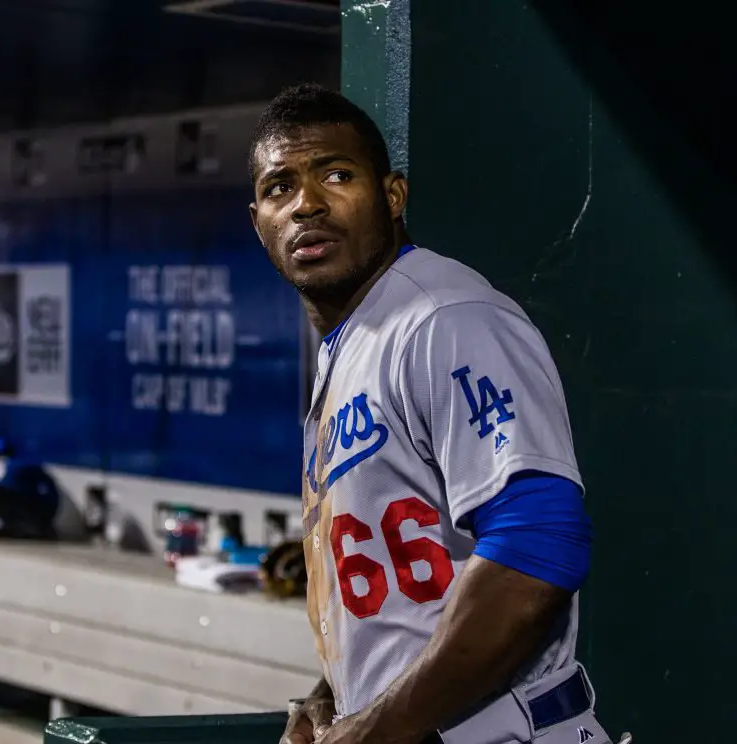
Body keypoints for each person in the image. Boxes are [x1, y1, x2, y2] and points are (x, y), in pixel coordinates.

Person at [248, 83, 626, 744]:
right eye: (280, 187)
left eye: (336, 176)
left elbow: (537, 549)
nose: (306, 203)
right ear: (260, 223)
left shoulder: (446, 318)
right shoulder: (353, 342)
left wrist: (374, 730)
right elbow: (405, 598)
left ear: (392, 197)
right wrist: (334, 695)